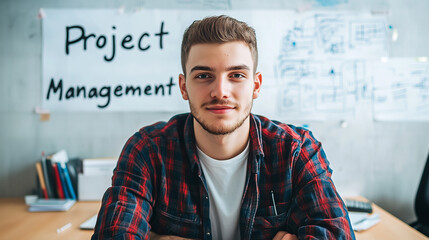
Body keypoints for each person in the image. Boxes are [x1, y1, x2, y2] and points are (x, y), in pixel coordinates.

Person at [92, 15, 355, 240]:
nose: (220, 91)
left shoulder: (296, 150)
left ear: (256, 85)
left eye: (237, 75)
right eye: (204, 75)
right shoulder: (148, 151)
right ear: (184, 87)